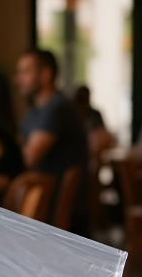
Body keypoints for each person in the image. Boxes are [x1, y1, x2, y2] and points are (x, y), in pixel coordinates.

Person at [14, 48, 89, 235]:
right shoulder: (34, 110)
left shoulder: (57, 107)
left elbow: (28, 157)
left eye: (25, 72)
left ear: (46, 74)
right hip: (41, 202)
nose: (18, 79)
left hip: (55, 209)